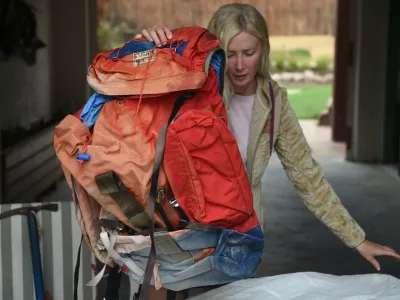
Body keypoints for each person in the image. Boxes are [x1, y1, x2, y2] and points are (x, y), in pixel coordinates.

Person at [140, 3, 400, 274]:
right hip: (182, 227)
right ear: (215, 51)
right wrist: (145, 48)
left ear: (263, 49)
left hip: (240, 238)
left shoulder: (274, 103)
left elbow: (308, 178)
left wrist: (356, 239)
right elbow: (136, 115)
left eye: (248, 53)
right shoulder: (190, 88)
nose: (239, 66)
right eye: (230, 54)